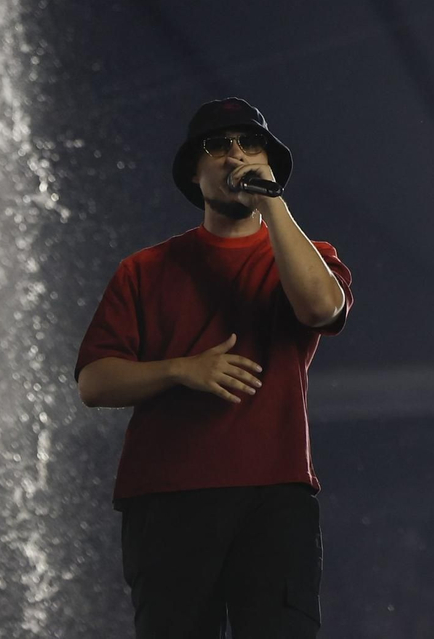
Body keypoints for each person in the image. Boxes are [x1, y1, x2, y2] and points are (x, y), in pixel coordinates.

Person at [75, 97, 352, 639]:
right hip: (167, 496)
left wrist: (273, 204)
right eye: (217, 147)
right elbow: (93, 381)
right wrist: (182, 370)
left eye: (250, 145)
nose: (235, 157)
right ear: (193, 173)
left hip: (274, 496)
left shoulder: (309, 255)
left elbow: (322, 308)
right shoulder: (145, 269)